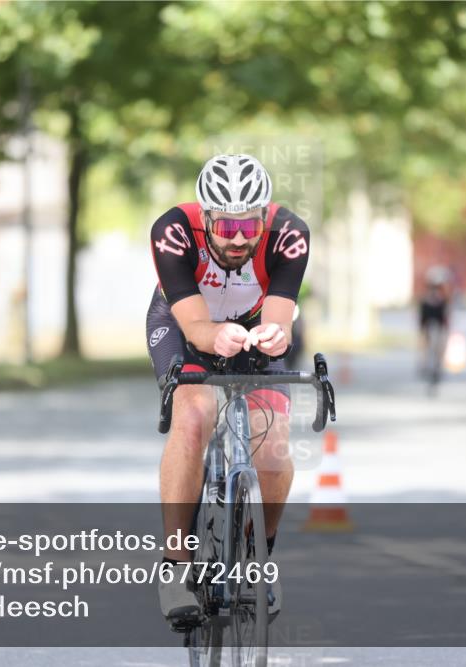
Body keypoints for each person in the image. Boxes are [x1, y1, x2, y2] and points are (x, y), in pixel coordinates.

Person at [146, 154, 310, 622]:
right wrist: (214, 336)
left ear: (263, 216)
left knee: (274, 444)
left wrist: (276, 335)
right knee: (194, 415)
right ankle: (175, 568)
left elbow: (279, 318)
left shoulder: (290, 234)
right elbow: (197, 324)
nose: (238, 238)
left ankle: (260, 559)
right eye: (226, 226)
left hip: (252, 326)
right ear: (207, 218)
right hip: (184, 326)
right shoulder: (173, 231)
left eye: (248, 225)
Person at [418, 265, 452, 379]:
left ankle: (438, 364)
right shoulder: (426, 300)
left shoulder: (444, 300)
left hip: (440, 324)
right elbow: (422, 316)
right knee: (425, 343)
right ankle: (424, 363)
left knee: (441, 343)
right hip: (428, 324)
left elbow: (446, 315)